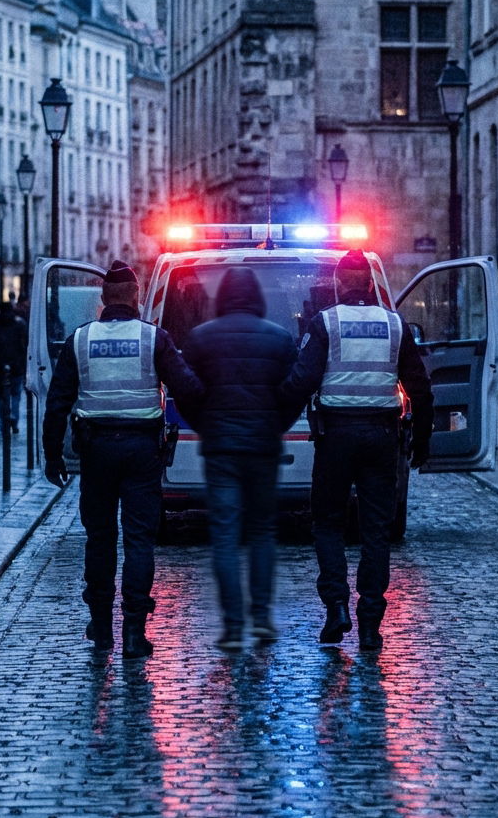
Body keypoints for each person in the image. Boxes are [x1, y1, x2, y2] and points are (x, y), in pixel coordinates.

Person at [42, 259, 204, 659]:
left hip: (96, 451)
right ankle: (134, 630)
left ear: (102, 297)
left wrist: (51, 455)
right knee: (138, 540)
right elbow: (188, 389)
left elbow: (57, 402)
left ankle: (100, 626)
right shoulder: (154, 338)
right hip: (142, 452)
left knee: (99, 539)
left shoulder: (80, 340)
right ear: (135, 295)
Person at [278, 249, 433, 652]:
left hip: (336, 437)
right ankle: (370, 624)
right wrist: (424, 439)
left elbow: (301, 381)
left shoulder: (325, 323)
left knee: (328, 523)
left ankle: (336, 607)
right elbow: (420, 386)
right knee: (375, 530)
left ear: (337, 284)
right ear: (369, 282)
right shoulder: (395, 325)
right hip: (383, 437)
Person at [181, 266, 299, 651]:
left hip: (220, 448)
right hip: (264, 446)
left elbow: (187, 390)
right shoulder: (280, 339)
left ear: (223, 297)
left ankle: (233, 626)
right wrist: (277, 422)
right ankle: (262, 618)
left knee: (226, 537)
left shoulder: (201, 339)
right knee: (263, 532)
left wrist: (206, 423)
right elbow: (293, 390)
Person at [0, 299, 28, 433]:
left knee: (2, 396)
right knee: (15, 394)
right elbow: (24, 345)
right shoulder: (19, 325)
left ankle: (4, 421)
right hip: (17, 365)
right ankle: (13, 417)